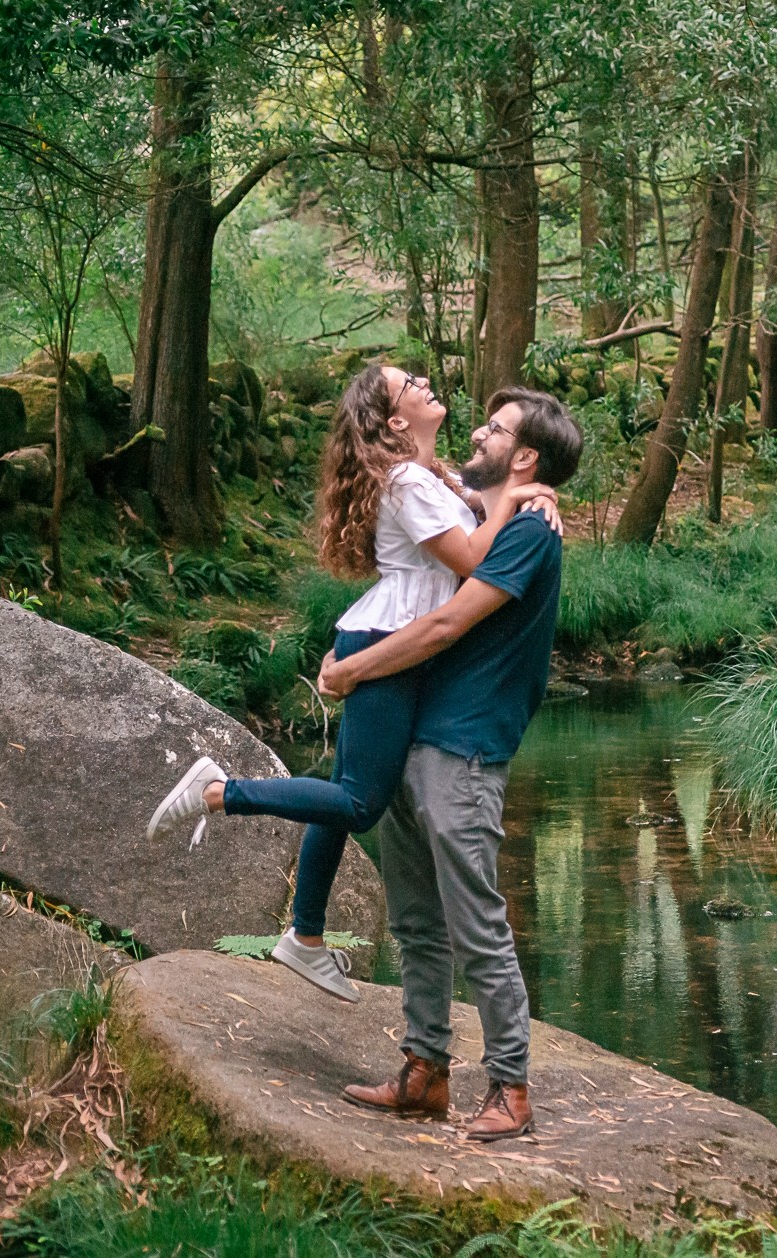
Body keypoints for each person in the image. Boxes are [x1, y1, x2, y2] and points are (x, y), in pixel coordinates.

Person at [143, 365, 559, 1003]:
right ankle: (221, 792)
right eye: (408, 384)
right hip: (393, 639)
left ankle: (305, 937)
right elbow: (474, 556)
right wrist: (513, 499)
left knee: (342, 792)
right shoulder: (406, 482)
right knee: (360, 802)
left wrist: (534, 493)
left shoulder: (431, 478)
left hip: (395, 637)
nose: (423, 382)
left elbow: (479, 504)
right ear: (395, 420)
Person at [320, 386, 581, 1142]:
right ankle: (424, 1070)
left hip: (464, 745)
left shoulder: (530, 531)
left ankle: (510, 1087)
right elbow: (430, 512)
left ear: (524, 456)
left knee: (475, 920)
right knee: (416, 919)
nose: (478, 430)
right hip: (415, 733)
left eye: (494, 429)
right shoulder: (480, 508)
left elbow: (443, 626)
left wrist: (351, 673)